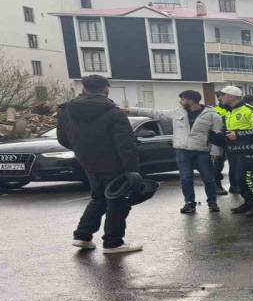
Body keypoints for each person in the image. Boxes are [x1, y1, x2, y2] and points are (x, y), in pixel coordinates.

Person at [56, 75, 142, 253]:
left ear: (84, 88)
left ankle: (82, 236)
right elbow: (125, 144)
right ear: (106, 89)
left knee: (98, 198)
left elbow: (63, 138)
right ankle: (113, 242)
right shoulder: (114, 112)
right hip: (114, 164)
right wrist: (132, 170)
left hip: (88, 163)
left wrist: (83, 151)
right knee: (117, 200)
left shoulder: (66, 111)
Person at [128, 90, 224, 214]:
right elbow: (155, 113)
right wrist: (131, 109)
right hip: (182, 151)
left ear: (191, 100)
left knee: (208, 178)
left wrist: (217, 152)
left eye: (182, 99)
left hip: (202, 151)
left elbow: (218, 134)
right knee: (186, 178)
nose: (180, 101)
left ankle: (212, 202)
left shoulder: (211, 114)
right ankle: (189, 203)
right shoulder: (177, 112)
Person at [217, 85, 253, 216]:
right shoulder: (231, 112)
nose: (220, 98)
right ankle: (249, 202)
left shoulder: (251, 110)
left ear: (230, 96)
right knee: (238, 179)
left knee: (248, 178)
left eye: (222, 95)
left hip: (251, 151)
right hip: (235, 151)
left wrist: (238, 135)